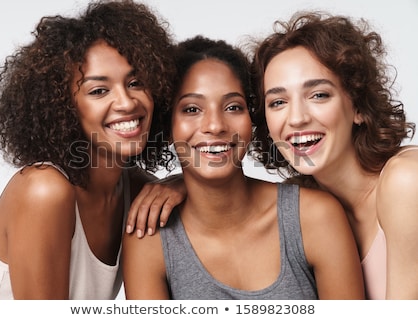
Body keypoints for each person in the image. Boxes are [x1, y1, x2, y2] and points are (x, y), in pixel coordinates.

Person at [0, 0, 185, 299]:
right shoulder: (44, 191)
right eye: (99, 90)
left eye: (136, 82)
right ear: (63, 107)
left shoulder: (136, 190)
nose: (126, 102)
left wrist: (185, 184)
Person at [122, 35, 365, 300]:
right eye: (192, 109)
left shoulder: (315, 217)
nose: (215, 125)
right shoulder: (150, 238)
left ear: (252, 119)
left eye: (233, 107)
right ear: (167, 126)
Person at [251, 11, 418, 300]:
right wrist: (178, 185)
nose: (297, 118)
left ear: (358, 107)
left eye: (318, 95)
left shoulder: (406, 180)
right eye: (278, 102)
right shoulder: (304, 206)